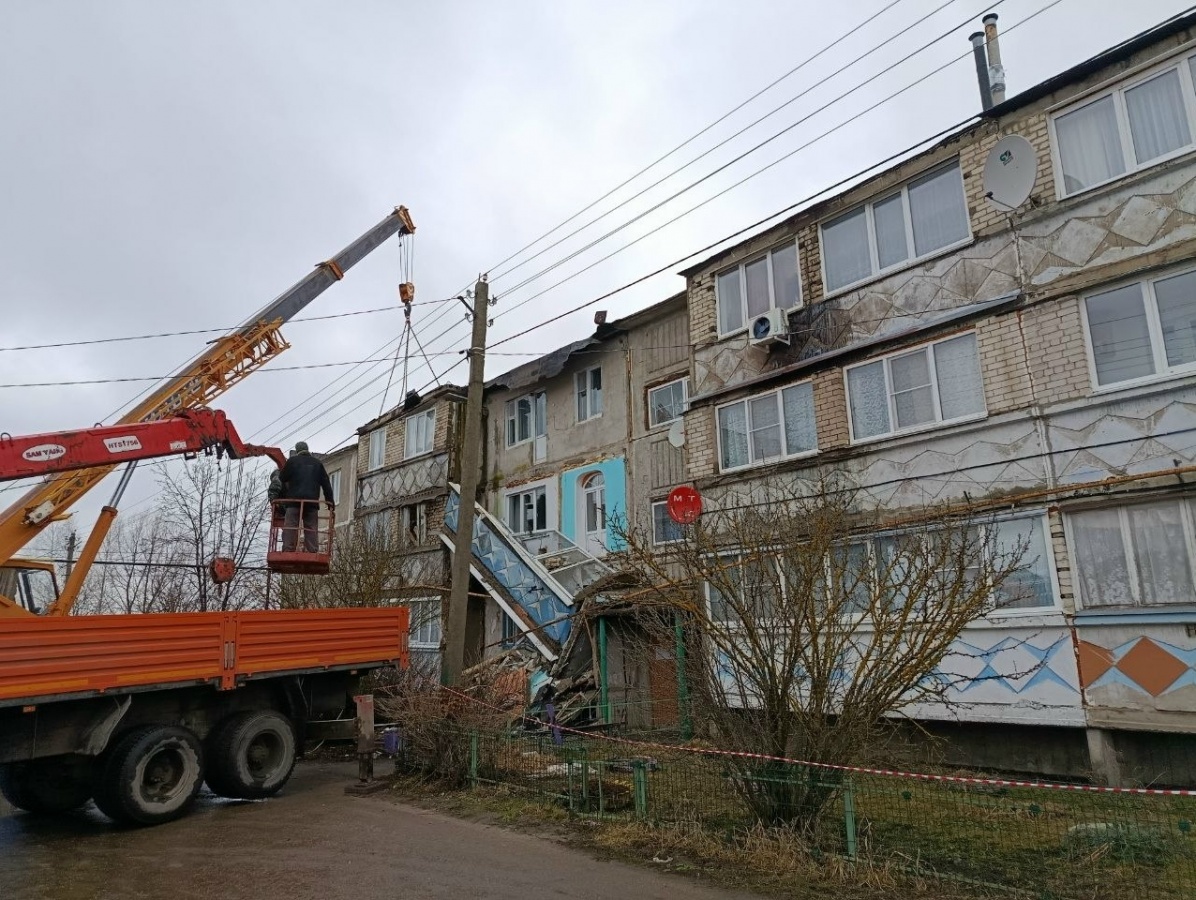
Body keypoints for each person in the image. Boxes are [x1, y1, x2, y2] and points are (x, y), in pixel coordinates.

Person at [279, 441, 335, 553]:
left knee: (291, 526)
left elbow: (282, 478)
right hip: (311, 503)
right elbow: (326, 484)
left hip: (294, 502)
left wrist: (282, 499)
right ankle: (313, 550)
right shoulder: (317, 463)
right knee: (311, 528)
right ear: (307, 449)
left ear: (297, 450)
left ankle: (288, 549)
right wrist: (330, 502)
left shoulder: (292, 461)